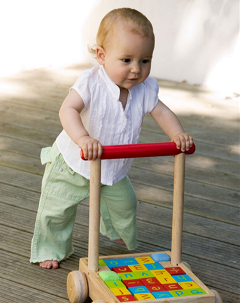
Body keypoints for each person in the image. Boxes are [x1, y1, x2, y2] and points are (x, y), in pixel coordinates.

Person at [30, 7, 193, 269]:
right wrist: (83, 138)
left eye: (145, 60)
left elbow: (162, 112)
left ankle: (114, 230)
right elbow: (67, 109)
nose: (136, 70)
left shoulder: (145, 89)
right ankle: (51, 249)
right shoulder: (90, 82)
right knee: (57, 210)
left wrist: (178, 134)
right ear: (102, 56)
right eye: (126, 60)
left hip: (113, 167)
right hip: (73, 163)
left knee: (126, 204)